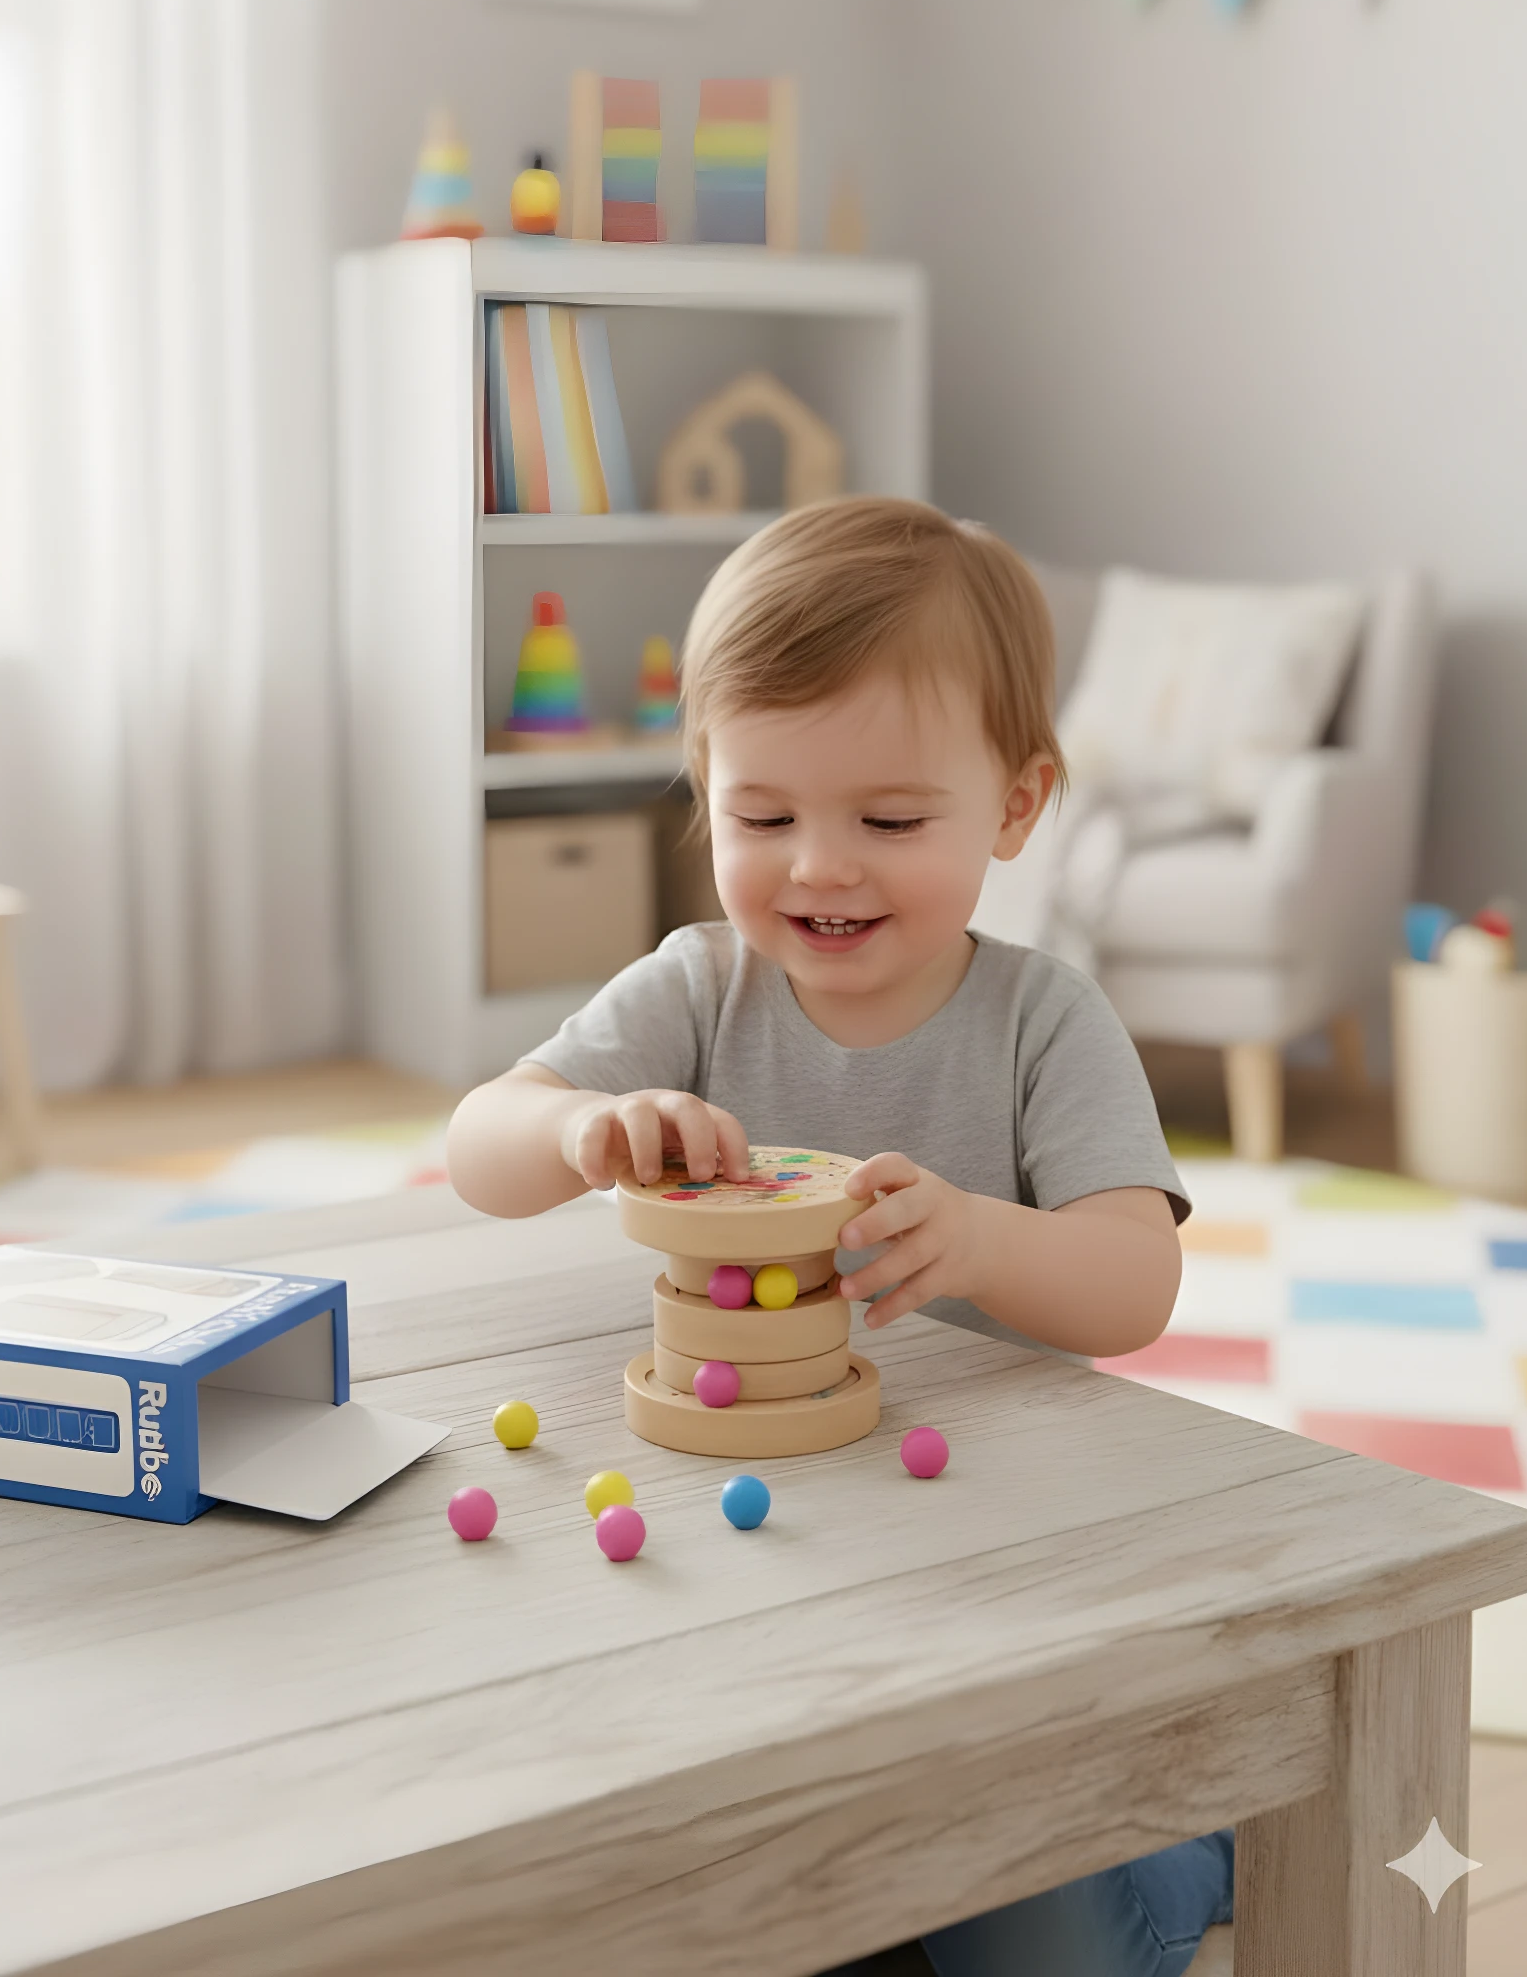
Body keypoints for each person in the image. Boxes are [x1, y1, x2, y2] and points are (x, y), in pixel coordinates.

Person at [447, 496, 1234, 1976]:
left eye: (886, 820)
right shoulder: (696, 987)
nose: (818, 868)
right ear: (706, 792)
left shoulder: (1039, 1021)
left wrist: (986, 1245)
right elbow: (477, 1145)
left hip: (997, 1549)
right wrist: (571, 1132)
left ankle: (1189, 1855)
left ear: (1014, 806)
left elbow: (1140, 1280)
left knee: (1039, 1937)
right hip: (766, 1543)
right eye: (762, 818)